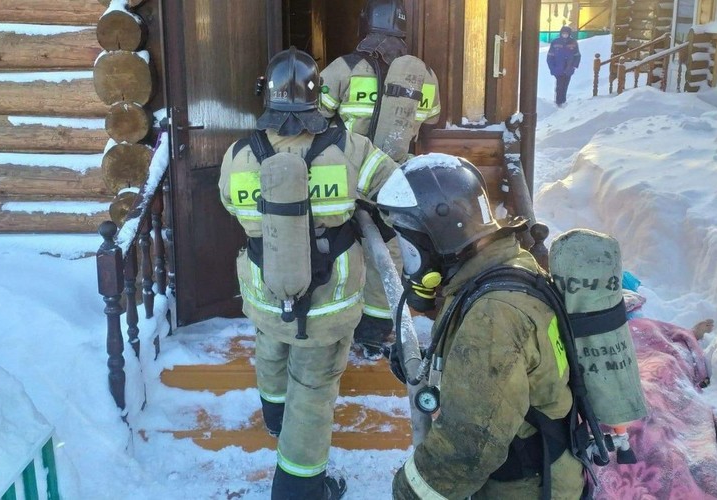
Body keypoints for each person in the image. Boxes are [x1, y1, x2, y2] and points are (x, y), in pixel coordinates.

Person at [218, 46, 397, 500]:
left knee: (272, 355)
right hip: (328, 302)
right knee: (313, 394)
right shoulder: (350, 148)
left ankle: (277, 423)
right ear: (318, 94)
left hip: (266, 292)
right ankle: (299, 489)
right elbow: (397, 191)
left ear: (268, 93)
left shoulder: (238, 154)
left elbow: (228, 206)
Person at [375, 154, 585, 499]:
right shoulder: (509, 265)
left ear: (437, 234)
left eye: (408, 243)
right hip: (544, 468)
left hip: (524, 490)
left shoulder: (493, 316)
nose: (407, 257)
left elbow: (465, 451)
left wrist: (406, 492)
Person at [319, 0, 442, 359]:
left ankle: (330, 325)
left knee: (335, 251)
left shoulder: (343, 68)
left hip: (345, 177)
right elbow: (431, 118)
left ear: (365, 26)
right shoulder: (425, 75)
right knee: (387, 257)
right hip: (392, 180)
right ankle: (373, 335)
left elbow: (316, 114)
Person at [546, 25, 581, 107]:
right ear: (561, 33)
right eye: (563, 33)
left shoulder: (573, 42)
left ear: (569, 34)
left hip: (569, 69)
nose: (565, 35)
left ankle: (563, 101)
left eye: (566, 33)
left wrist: (574, 66)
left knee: (565, 85)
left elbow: (577, 55)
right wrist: (552, 68)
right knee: (559, 86)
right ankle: (558, 102)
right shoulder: (555, 42)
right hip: (558, 69)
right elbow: (550, 57)